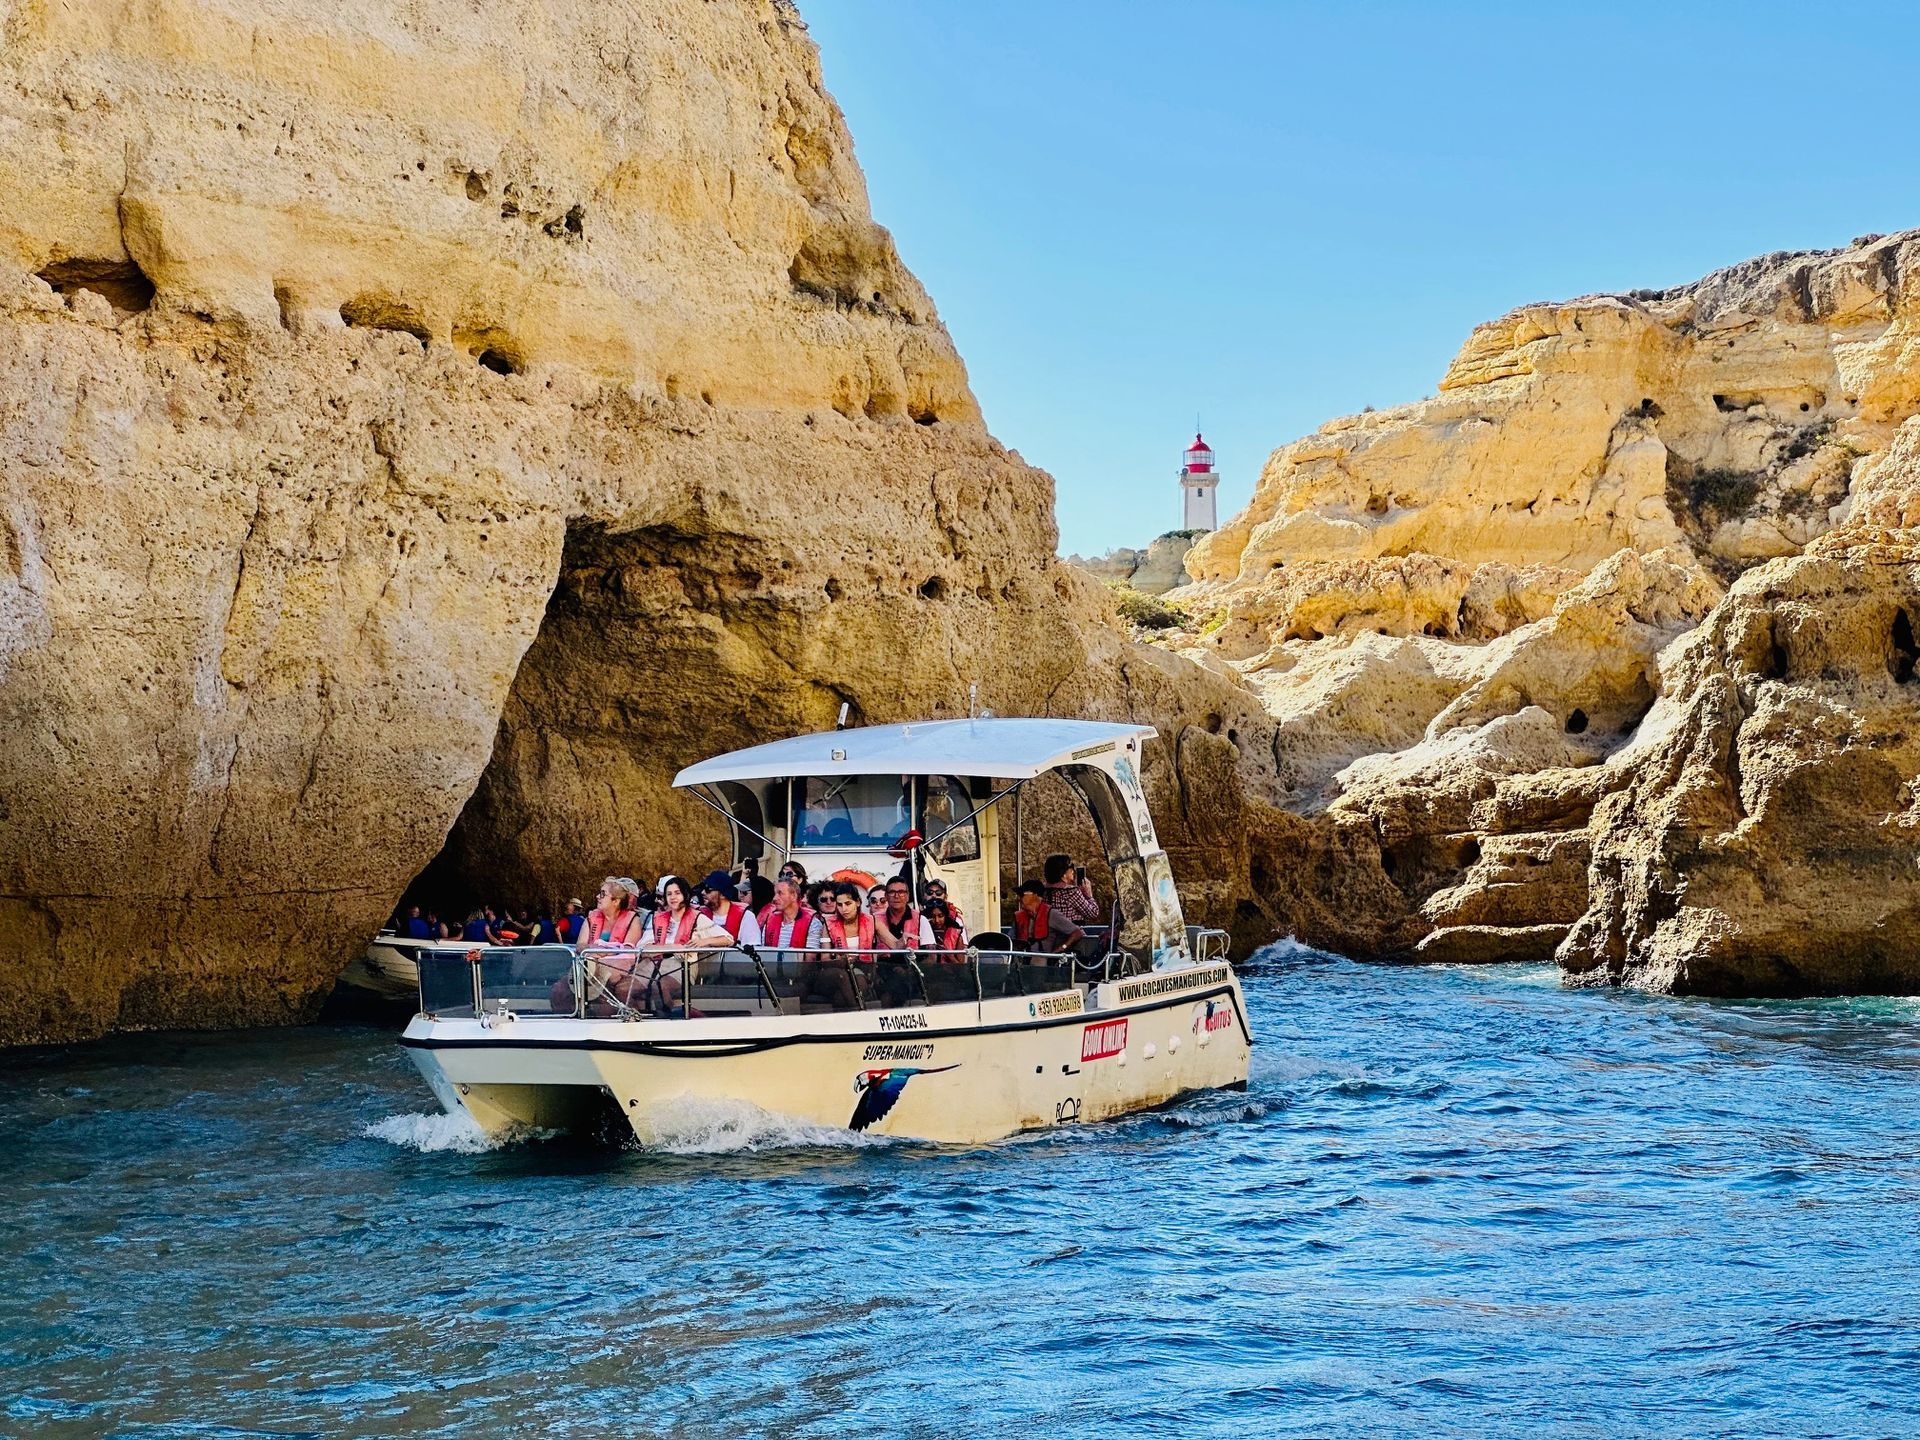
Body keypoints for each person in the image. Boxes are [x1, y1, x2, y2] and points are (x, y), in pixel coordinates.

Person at [551, 877, 646, 1013]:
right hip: (588, 969)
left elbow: (629, 950)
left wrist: (603, 953)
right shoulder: (591, 918)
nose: (597, 897)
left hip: (616, 971)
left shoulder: (633, 920)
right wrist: (595, 950)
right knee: (558, 990)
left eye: (602, 894)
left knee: (605, 996)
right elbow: (580, 945)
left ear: (616, 901)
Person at [643, 875, 730, 1015]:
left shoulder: (697, 917)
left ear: (685, 894)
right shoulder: (657, 919)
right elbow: (644, 949)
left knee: (658, 984)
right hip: (653, 965)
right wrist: (672, 948)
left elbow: (728, 939)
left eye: (677, 893)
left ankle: (672, 1018)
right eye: (669, 894)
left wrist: (703, 941)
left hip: (683, 967)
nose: (673, 897)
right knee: (623, 989)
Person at [801, 881, 870, 1011]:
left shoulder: (868, 921)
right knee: (841, 976)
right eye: (824, 899)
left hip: (855, 969)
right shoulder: (820, 923)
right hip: (828, 971)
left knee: (842, 995)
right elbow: (823, 958)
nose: (829, 902)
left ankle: (854, 1016)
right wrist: (842, 961)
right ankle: (861, 1013)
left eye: (833, 899)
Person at [760, 877, 823, 978]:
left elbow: (810, 960)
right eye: (775, 894)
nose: (774, 898)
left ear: (793, 896)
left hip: (800, 978)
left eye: (780, 893)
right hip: (770, 977)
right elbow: (763, 953)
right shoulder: (770, 920)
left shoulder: (813, 923)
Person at [1012, 879, 1087, 955]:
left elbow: (1077, 933)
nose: (1019, 898)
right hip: (1020, 958)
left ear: (1036, 895)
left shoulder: (1051, 914)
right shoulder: (1019, 917)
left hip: (1043, 958)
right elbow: (1010, 940)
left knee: (1038, 960)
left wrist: (1062, 948)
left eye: (1022, 894)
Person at [698, 870, 763, 947]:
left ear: (722, 895)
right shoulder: (699, 915)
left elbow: (752, 949)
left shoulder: (746, 917)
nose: (702, 892)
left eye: (708, 889)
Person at [1043, 854, 1101, 925]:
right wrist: (1088, 895)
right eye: (1070, 867)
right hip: (1071, 930)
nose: (1073, 870)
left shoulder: (1043, 891)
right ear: (1063, 874)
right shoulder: (1071, 892)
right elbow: (1093, 912)